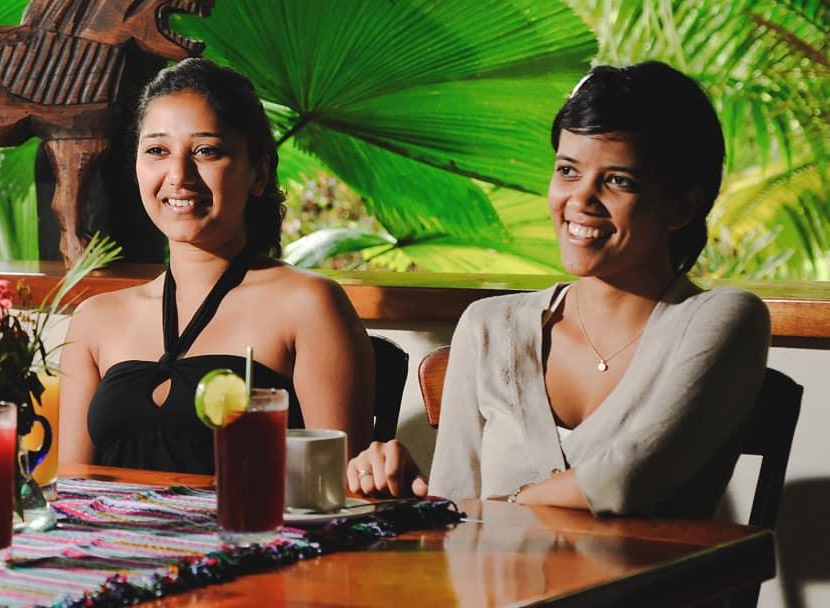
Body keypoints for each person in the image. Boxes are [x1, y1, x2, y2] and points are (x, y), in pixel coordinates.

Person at [347, 62, 770, 519]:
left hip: (649, 592)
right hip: (496, 592)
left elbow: (626, 479)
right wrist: (404, 494)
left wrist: (500, 504)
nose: (581, 199)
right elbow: (454, 518)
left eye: (618, 181)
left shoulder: (723, 318)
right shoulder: (489, 326)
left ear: (680, 207)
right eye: (568, 171)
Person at [59, 58, 375, 475]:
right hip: (110, 539)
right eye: (157, 150)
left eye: (206, 151)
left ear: (258, 173)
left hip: (252, 536)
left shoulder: (307, 304)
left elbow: (337, 489)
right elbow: (72, 491)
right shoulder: (95, 320)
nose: (178, 175)